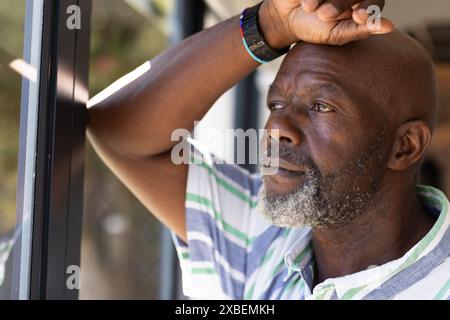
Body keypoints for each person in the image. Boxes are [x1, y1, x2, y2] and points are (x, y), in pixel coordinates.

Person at [86, 0, 450, 299]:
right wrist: (270, 24)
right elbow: (118, 130)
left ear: (405, 146)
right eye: (275, 104)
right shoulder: (258, 235)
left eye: (321, 107)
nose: (277, 129)